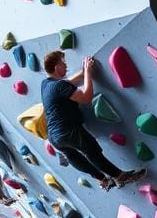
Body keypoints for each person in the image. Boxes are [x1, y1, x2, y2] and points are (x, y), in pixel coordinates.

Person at [41, 51, 145, 191]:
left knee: (75, 157)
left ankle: (102, 179)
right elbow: (86, 97)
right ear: (56, 67)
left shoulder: (46, 85)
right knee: (92, 151)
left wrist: (84, 72)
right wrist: (88, 73)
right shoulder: (59, 86)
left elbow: (68, 83)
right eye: (63, 63)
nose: (66, 66)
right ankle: (120, 177)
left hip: (54, 137)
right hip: (68, 130)